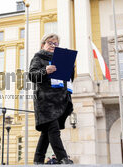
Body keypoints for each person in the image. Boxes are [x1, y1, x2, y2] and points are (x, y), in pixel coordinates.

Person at [28, 33, 74, 164]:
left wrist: (71, 68)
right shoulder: (39, 56)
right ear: (43, 45)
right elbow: (32, 75)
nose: (53, 45)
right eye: (50, 43)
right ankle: (63, 158)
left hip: (59, 100)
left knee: (47, 132)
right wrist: (45, 71)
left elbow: (69, 79)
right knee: (53, 129)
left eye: (56, 44)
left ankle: (38, 160)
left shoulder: (61, 59)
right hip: (45, 100)